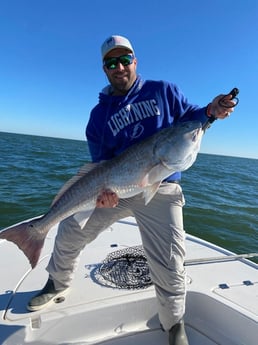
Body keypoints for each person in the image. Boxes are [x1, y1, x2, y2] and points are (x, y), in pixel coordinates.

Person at [27, 35, 236, 345]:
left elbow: (195, 118)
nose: (119, 66)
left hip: (161, 189)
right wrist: (105, 195)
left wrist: (211, 112)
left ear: (135, 61)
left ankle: (174, 322)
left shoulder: (163, 91)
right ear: (104, 69)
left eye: (125, 59)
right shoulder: (99, 116)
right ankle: (56, 282)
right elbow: (100, 164)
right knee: (70, 228)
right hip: (116, 190)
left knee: (170, 260)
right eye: (111, 62)